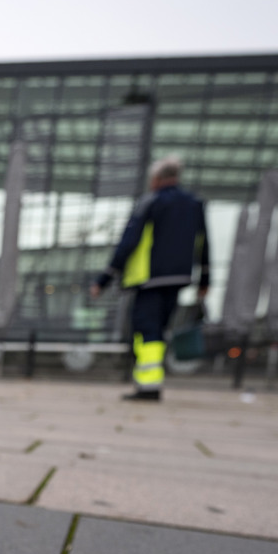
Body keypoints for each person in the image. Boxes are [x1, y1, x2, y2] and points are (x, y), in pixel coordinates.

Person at [91, 156, 210, 402]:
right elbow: (204, 244)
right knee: (160, 329)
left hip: (148, 278)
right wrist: (205, 280)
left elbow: (128, 243)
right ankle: (150, 384)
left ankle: (148, 386)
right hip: (178, 278)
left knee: (146, 331)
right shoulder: (194, 205)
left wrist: (104, 279)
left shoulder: (151, 202)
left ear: (156, 179)